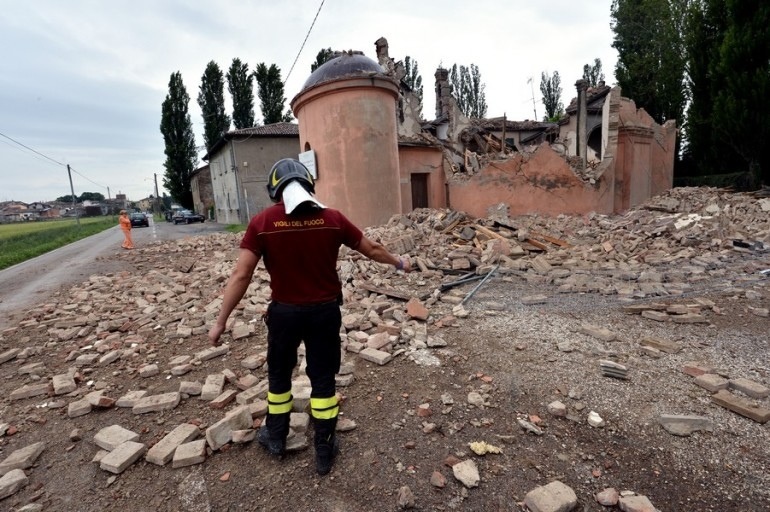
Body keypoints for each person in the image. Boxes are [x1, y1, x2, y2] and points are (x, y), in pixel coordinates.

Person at [208, 158, 411, 475]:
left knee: (279, 376)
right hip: (324, 313)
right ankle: (325, 449)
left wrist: (220, 321)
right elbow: (371, 248)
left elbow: (240, 275)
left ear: (276, 190)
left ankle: (276, 437)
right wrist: (399, 263)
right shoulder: (332, 219)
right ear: (309, 186)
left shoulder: (263, 222)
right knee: (323, 378)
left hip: (284, 315)